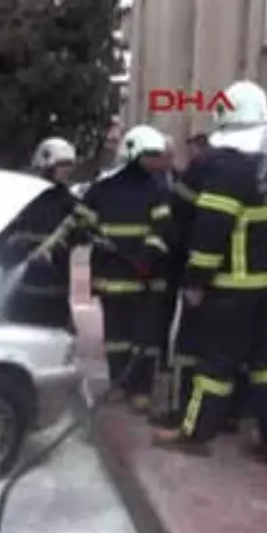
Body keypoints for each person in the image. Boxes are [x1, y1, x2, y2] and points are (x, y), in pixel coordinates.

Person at [152, 80, 267, 467]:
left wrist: (196, 281)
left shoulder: (228, 167)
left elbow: (210, 232)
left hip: (236, 285)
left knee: (214, 362)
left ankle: (195, 432)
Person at [76, 125, 172, 413]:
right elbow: (82, 222)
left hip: (143, 277)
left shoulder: (157, 190)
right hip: (111, 275)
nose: (157, 161)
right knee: (116, 336)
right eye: (152, 155)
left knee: (144, 337)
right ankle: (119, 383)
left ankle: (141, 389)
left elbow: (163, 229)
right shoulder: (103, 189)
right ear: (134, 154)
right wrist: (93, 235)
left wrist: (147, 257)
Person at [0, 136, 81, 333]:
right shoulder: (23, 199)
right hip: (21, 291)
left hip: (56, 291)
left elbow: (81, 235)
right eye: (62, 165)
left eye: (69, 165)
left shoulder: (70, 204)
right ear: (46, 166)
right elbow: (5, 239)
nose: (67, 170)